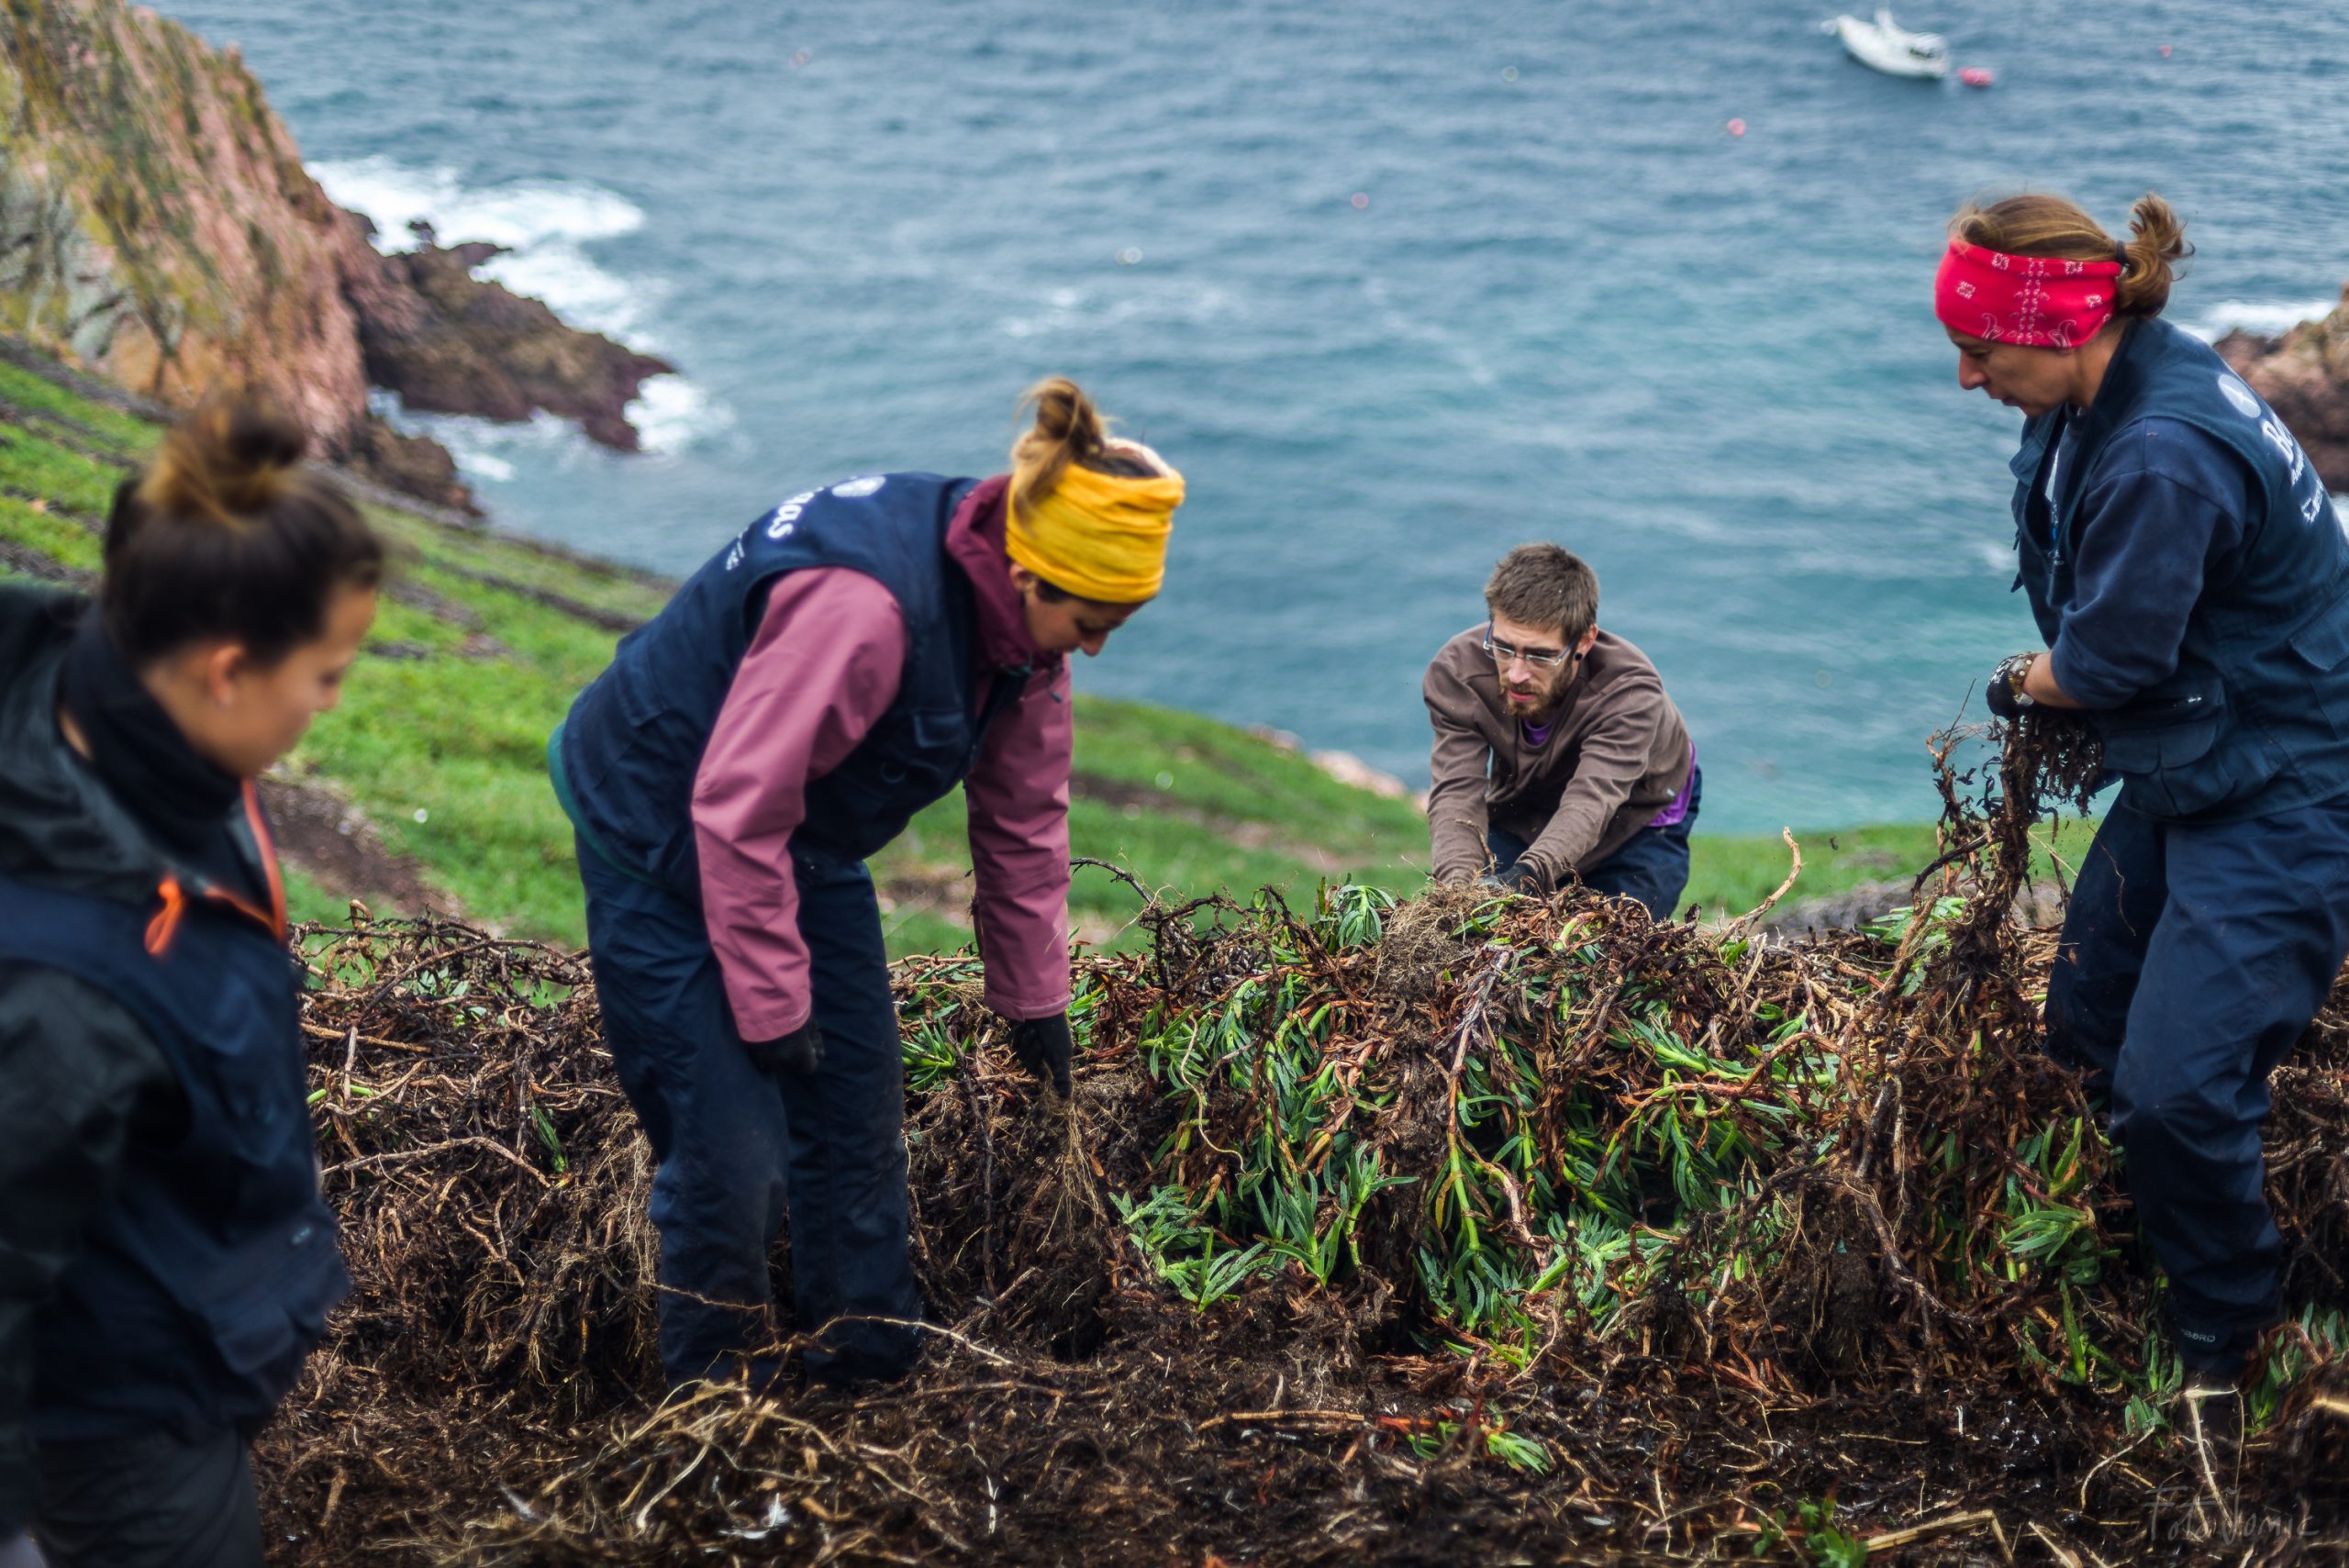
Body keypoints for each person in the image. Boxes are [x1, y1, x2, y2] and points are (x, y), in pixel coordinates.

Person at [548, 378, 1183, 1389]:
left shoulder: (1022, 636)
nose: (1099, 643)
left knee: (854, 1111)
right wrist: (769, 1008)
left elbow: (1022, 821)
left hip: (797, 839)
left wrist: (1034, 1005)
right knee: (729, 1153)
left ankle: (868, 1366)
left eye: (1123, 618)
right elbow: (734, 808)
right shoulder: (866, 608)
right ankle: (713, 1408)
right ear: (1029, 573)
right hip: (656, 822)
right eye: (1094, 616)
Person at [1936, 191, 2349, 1418]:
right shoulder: (2120, 380)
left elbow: (2106, 666)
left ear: (2058, 328)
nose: (1967, 378)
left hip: (2289, 781)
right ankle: (2144, 1230)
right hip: (2202, 752)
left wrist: (2021, 684)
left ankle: (2228, 1338)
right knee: (2086, 1021)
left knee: (2175, 1089)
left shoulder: (2164, 451)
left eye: (1981, 350)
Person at [0, 403, 381, 1567]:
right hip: (117, 1415)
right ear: (226, 671)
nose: (329, 702)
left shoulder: (113, 695)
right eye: (325, 672)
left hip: (181, 1298)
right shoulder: (67, 993)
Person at [1423, 543, 1698, 917]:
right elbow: (1457, 792)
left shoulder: (1630, 692)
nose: (1517, 673)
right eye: (1504, 648)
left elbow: (1594, 798)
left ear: (1584, 641)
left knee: (1612, 947)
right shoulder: (1457, 673)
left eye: (1539, 655)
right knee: (1482, 925)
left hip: (1639, 810)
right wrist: (1456, 893)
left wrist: (1529, 874)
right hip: (1532, 797)